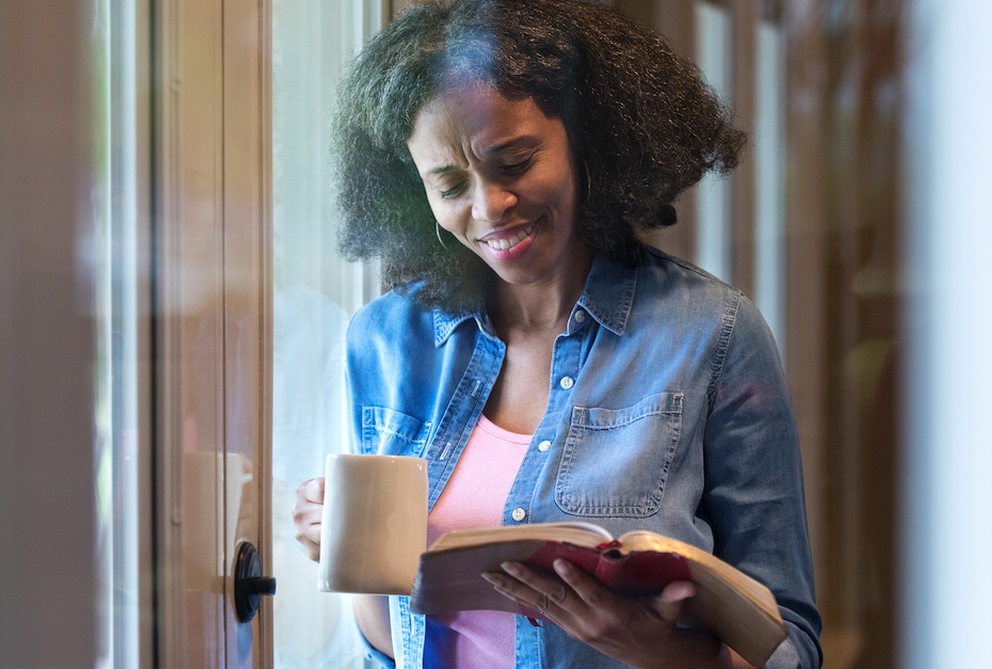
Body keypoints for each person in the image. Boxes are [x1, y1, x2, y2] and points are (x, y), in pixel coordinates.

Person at [292, 0, 822, 667]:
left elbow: (790, 647)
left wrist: (651, 647)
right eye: (449, 183)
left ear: (587, 138)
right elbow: (389, 642)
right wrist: (347, 545)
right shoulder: (383, 341)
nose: (488, 206)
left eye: (513, 161)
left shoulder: (712, 335)